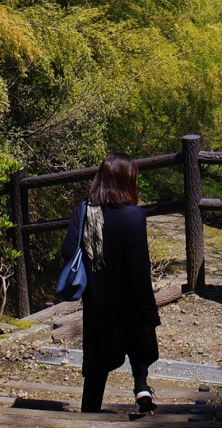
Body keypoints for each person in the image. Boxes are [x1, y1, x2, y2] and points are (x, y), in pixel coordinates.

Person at [61, 152, 160, 415]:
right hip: (129, 299)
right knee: (139, 339)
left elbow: (69, 250)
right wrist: (150, 311)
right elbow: (139, 269)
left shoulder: (87, 210)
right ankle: (141, 386)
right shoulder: (134, 216)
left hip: (98, 299)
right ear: (128, 181)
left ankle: (89, 413)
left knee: (98, 361)